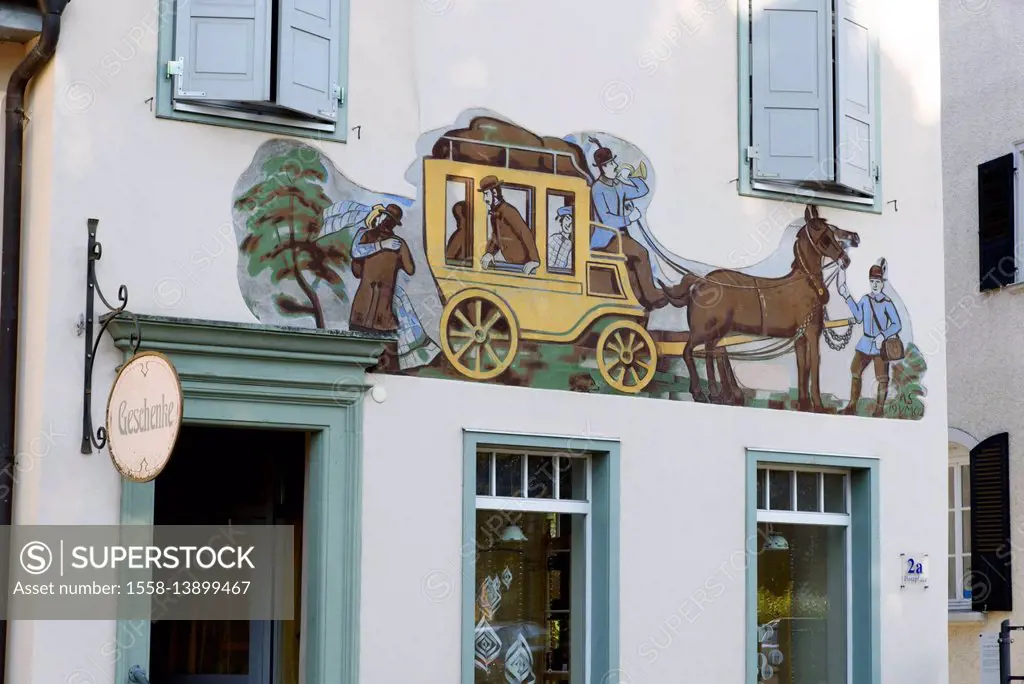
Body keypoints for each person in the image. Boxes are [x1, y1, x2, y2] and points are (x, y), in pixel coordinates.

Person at [588, 137, 668, 309]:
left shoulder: (617, 185)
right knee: (641, 253)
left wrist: (633, 176)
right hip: (606, 239)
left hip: (620, 237)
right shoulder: (598, 189)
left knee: (631, 265)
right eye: (610, 165)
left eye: (613, 163)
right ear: (602, 168)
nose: (615, 167)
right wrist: (628, 218)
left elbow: (642, 190)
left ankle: (640, 297)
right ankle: (651, 295)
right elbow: (607, 219)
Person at [836, 261, 902, 417]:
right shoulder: (865, 299)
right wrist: (847, 296)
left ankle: (879, 410)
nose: (874, 285)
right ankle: (851, 406)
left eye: (877, 282)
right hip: (865, 344)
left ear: (882, 283)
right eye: (872, 281)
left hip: (881, 346)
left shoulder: (886, 302)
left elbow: (896, 324)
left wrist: (883, 335)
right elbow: (858, 317)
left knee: (882, 378)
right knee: (855, 371)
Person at [349, 203, 414, 333]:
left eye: (390, 219)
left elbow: (410, 269)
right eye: (386, 216)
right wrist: (382, 246)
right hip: (367, 308)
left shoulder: (398, 244)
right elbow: (355, 252)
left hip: (378, 312)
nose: (386, 221)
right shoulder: (366, 235)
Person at [478, 175, 541, 275]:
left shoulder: (508, 211)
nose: (484, 199)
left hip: (522, 266)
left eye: (486, 194)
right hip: (510, 263)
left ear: (494, 193)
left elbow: (524, 232)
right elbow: (496, 236)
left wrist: (534, 260)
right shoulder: (495, 213)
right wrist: (489, 253)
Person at [548, 205, 574, 271]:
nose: (568, 224)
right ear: (562, 220)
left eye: (573, 222)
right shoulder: (553, 238)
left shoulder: (572, 246)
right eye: (567, 219)